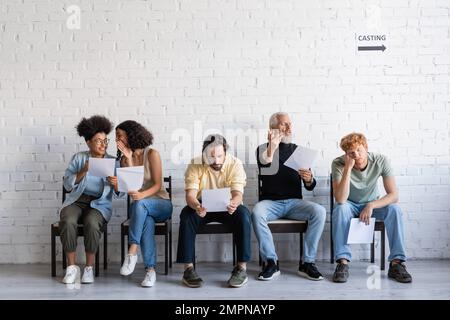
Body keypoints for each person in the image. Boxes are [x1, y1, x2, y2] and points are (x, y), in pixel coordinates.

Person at [253, 112, 326, 281]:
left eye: (290, 124)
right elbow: (266, 164)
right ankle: (271, 262)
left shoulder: (298, 150)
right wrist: (273, 145)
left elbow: (311, 186)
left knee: (320, 212)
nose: (289, 128)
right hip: (270, 203)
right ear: (272, 128)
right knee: (257, 212)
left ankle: (307, 263)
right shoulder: (262, 149)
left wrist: (309, 179)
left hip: (294, 203)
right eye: (284, 124)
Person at [331, 132, 412, 283]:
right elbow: (341, 199)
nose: (357, 155)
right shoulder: (338, 163)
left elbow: (394, 195)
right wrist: (348, 169)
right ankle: (342, 263)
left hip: (372, 205)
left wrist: (371, 205)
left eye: (359, 150)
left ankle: (397, 263)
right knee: (340, 208)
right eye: (351, 153)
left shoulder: (380, 160)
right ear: (346, 154)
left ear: (366, 147)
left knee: (394, 209)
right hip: (350, 205)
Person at [176, 134, 251, 288]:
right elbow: (190, 195)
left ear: (225, 152)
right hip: (202, 205)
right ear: (204, 154)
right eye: (211, 157)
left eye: (219, 156)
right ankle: (188, 269)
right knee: (186, 215)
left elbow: (238, 194)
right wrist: (197, 206)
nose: (216, 161)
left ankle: (241, 268)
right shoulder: (195, 164)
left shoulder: (235, 163)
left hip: (228, 204)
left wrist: (234, 203)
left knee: (244, 215)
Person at [59, 115, 118, 284]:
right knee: (68, 220)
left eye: (105, 141)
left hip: (99, 204)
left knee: (92, 222)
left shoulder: (113, 161)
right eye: (98, 140)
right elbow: (67, 185)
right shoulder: (79, 158)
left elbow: (121, 193)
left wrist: (116, 184)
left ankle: (89, 268)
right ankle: (71, 268)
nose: (102, 144)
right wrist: (84, 170)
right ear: (88, 142)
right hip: (77, 200)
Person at [117, 120, 172, 288]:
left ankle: (132, 250)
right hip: (143, 210)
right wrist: (129, 159)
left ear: (130, 135)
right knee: (146, 220)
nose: (117, 139)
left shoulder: (152, 154)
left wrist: (141, 195)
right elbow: (132, 187)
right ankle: (150, 271)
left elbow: (157, 185)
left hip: (161, 203)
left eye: (119, 135)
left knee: (139, 204)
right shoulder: (124, 159)